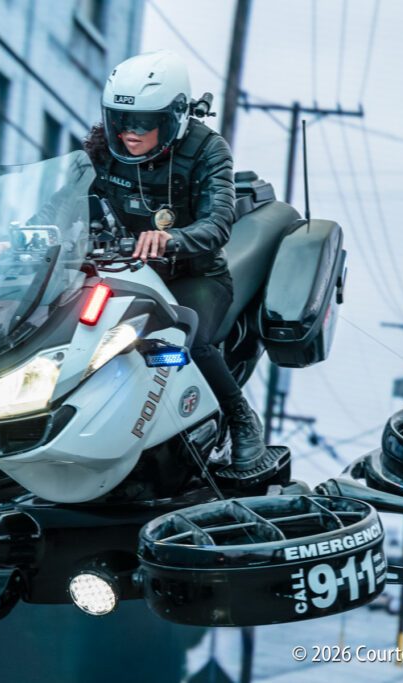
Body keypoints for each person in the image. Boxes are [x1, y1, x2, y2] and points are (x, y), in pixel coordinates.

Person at [84, 50, 268, 474]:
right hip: (120, 271)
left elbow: (219, 223)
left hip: (194, 275)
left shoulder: (208, 150)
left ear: (176, 116)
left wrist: (171, 239)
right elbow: (62, 200)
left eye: (145, 123)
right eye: (121, 120)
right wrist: (16, 240)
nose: (130, 133)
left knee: (186, 336)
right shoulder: (101, 150)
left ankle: (242, 422)